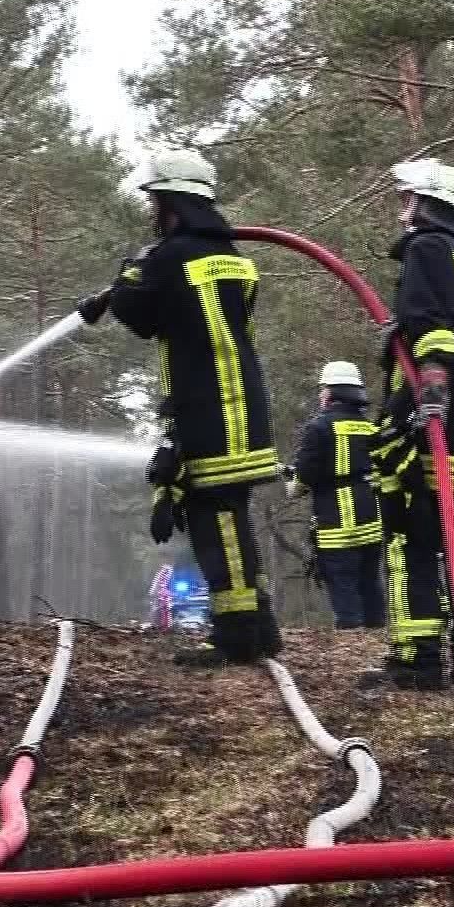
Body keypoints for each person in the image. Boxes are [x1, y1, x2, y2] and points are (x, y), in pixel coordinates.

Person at [75, 148, 282, 666]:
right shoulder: (233, 259)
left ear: (172, 203)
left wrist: (125, 278)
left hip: (212, 407)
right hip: (237, 403)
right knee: (228, 517)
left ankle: (236, 636)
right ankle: (258, 627)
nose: (152, 210)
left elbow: (139, 312)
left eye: (156, 201)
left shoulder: (170, 259)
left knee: (217, 519)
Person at [361, 158, 454, 690]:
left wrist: (429, 386)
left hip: (440, 431)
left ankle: (418, 661)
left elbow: (436, 331)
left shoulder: (426, 251)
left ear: (429, 206)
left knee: (411, 538)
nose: (403, 211)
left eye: (409, 200)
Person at [286, 361, 387, 629]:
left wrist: (293, 485)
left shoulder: (319, 428)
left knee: (340, 578)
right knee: (369, 578)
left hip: (337, 518)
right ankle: (376, 633)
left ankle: (350, 633)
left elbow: (305, 477)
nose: (320, 395)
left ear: (332, 392)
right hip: (372, 515)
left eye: (323, 389)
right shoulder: (369, 427)